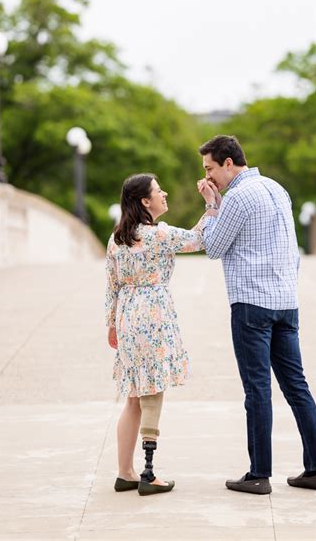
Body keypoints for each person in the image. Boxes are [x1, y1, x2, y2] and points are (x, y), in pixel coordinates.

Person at [196, 135, 316, 495]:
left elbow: (213, 247)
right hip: (286, 301)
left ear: (228, 163)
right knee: (297, 386)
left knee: (257, 390)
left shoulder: (237, 197)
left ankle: (258, 474)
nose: (208, 177)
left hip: (251, 305)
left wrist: (212, 206)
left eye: (210, 168)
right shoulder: (275, 187)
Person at [105, 173, 214, 496]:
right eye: (158, 191)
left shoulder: (117, 238)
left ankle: (125, 471)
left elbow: (111, 285)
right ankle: (149, 473)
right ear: (144, 201)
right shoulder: (158, 235)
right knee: (153, 390)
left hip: (127, 313)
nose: (164, 193)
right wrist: (210, 204)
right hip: (153, 311)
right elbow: (198, 240)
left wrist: (111, 323)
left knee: (134, 396)